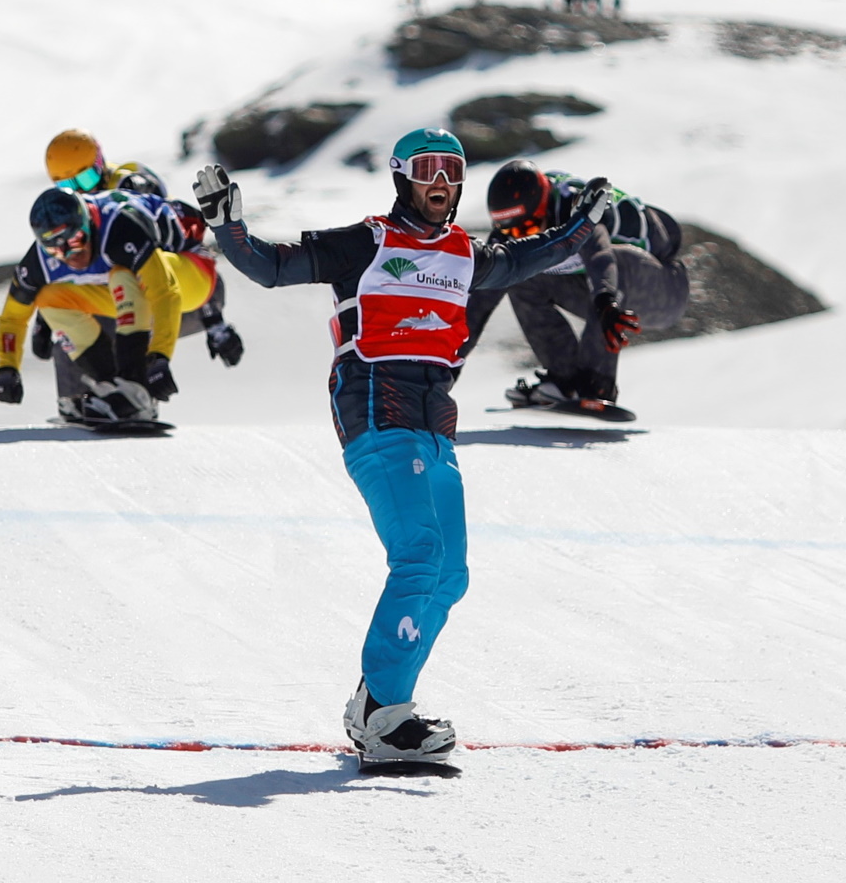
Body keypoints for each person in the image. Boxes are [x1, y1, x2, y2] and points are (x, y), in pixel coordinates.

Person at [191, 128, 607, 766]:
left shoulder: (468, 253)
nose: (439, 180)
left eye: (451, 169)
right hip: (375, 399)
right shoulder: (368, 241)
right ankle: (386, 716)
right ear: (401, 178)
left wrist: (582, 224)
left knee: (449, 574)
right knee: (419, 557)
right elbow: (272, 267)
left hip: (435, 414)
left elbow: (530, 257)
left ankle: (377, 703)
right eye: (425, 169)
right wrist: (228, 226)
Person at [0, 185, 238, 422]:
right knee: (49, 299)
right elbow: (13, 317)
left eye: (75, 241)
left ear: (87, 223)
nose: (68, 254)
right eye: (55, 250)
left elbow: (165, 292)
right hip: (139, 290)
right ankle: (112, 387)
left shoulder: (119, 228)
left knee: (122, 274)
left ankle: (136, 388)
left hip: (194, 276)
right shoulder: (40, 259)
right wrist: (7, 369)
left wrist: (159, 357)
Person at [33, 129, 245, 401]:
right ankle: (83, 404)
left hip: (181, 300)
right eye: (67, 187)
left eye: (86, 178)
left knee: (127, 322)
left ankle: (134, 401)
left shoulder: (131, 192)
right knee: (73, 337)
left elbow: (181, 255)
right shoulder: (73, 216)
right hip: (132, 298)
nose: (82, 192)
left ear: (101, 164)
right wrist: (45, 317)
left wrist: (215, 322)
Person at [462, 159, 691, 409]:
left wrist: (605, 301)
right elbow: (479, 306)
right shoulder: (509, 233)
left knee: (617, 260)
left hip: (664, 288)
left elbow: (600, 255)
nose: (522, 237)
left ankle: (598, 384)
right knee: (518, 276)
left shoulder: (574, 206)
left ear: (543, 208)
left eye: (526, 228)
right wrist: (443, 370)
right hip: (607, 293)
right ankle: (566, 382)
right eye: (512, 234)